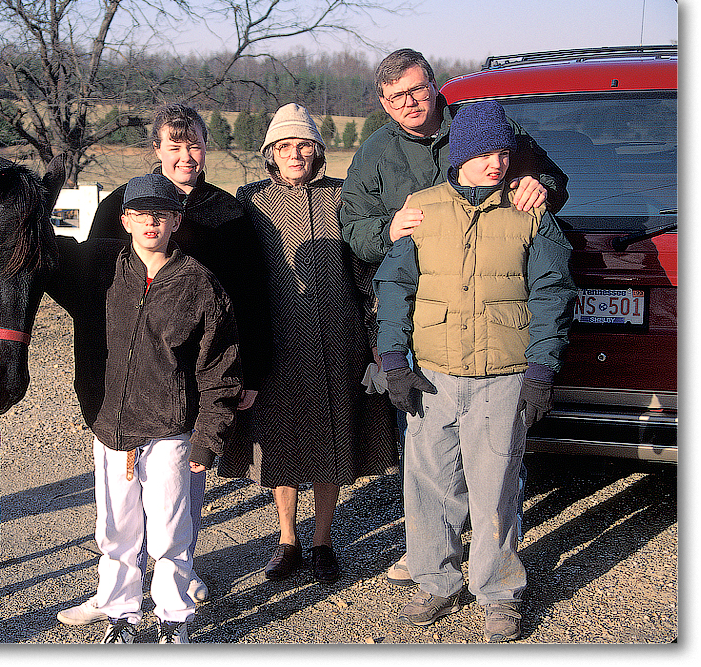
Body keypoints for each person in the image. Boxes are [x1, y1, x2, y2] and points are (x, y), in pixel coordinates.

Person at [339, 48, 570, 585]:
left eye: (418, 90)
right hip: (425, 325)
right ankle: (434, 555)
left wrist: (541, 186)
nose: (411, 103)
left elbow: (553, 182)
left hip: (493, 323)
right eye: (397, 98)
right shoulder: (376, 152)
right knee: (429, 457)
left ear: (435, 86)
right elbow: (355, 228)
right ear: (383, 104)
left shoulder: (481, 127)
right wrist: (390, 232)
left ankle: (489, 554)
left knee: (493, 461)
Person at [58, 103, 271, 625]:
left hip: (196, 375)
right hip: (123, 378)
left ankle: (179, 582)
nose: (185, 156)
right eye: (173, 146)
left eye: (194, 144)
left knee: (178, 496)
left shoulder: (230, 213)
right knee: (119, 510)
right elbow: (76, 278)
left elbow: (252, 295)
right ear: (156, 150)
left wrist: (253, 372)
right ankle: (118, 595)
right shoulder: (117, 205)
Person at [373, 100, 577, 642]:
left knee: (496, 488)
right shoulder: (420, 210)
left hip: (502, 376)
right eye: (485, 152)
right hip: (432, 376)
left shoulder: (531, 212)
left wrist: (541, 371)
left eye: (503, 152)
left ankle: (498, 592)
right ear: (461, 154)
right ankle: (437, 580)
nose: (496, 163)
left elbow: (553, 294)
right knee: (429, 485)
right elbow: (394, 288)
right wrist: (393, 360)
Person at [217, 103, 398, 584]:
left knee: (330, 440)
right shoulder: (251, 200)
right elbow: (238, 274)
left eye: (303, 145)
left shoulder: (343, 199)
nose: (294, 154)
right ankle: (286, 541)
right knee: (278, 442)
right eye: (284, 146)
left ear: (317, 151)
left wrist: (378, 336)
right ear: (271, 153)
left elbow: (366, 273)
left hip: (339, 341)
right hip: (274, 344)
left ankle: (322, 542)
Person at [85, 174, 242, 643]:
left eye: (161, 214)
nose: (150, 223)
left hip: (170, 428)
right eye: (141, 214)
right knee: (115, 531)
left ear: (177, 220)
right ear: (125, 219)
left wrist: (208, 438)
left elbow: (221, 366)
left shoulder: (199, 285)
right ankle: (120, 613)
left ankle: (174, 616)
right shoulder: (104, 273)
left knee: (170, 530)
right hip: (113, 427)